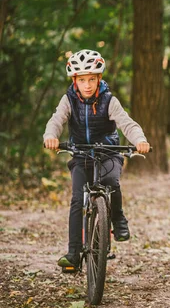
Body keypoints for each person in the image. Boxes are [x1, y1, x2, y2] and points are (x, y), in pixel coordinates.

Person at [43, 49, 150, 270]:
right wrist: (50, 136)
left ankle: (118, 219)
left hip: (108, 153)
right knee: (76, 198)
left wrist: (140, 140)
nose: (88, 85)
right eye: (82, 80)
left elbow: (127, 123)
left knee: (112, 182)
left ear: (99, 78)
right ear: (75, 81)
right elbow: (56, 120)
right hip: (81, 154)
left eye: (92, 79)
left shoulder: (109, 100)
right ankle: (73, 254)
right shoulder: (68, 100)